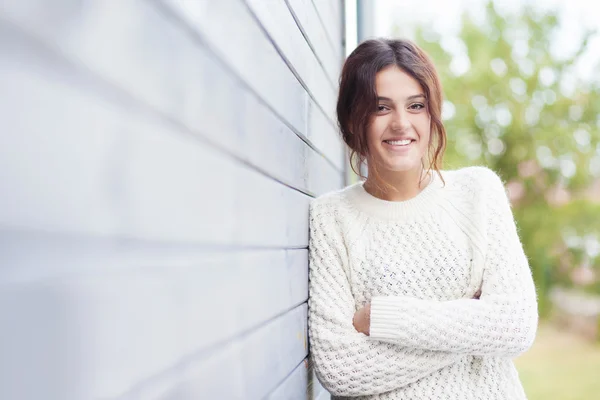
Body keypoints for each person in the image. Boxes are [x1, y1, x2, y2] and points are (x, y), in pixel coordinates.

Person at [307, 38, 538, 400]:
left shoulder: (478, 192)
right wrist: (474, 326)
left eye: (416, 105)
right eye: (381, 108)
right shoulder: (331, 218)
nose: (401, 123)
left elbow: (515, 325)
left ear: (432, 115)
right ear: (354, 119)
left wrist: (382, 318)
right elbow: (340, 369)